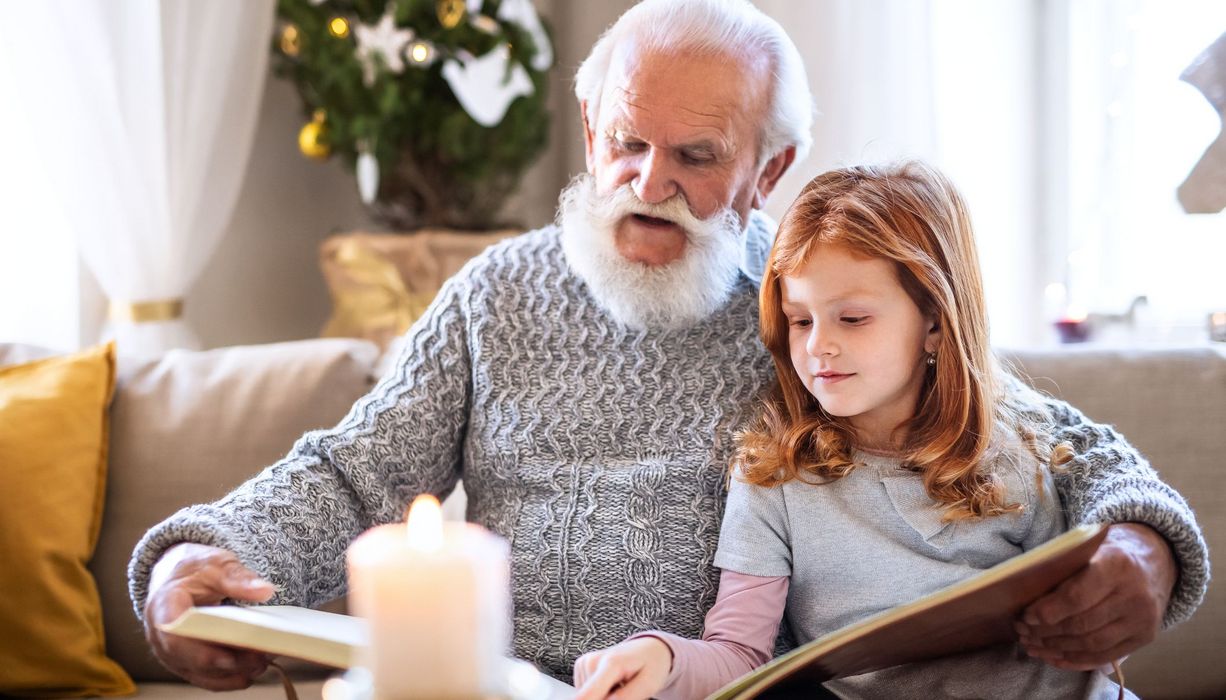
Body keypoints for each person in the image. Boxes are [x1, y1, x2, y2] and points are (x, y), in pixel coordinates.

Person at [130, 0, 1207, 691]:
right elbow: (348, 469)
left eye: (694, 155)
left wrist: (1145, 546)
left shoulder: (806, 315)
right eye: (626, 141)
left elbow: (1047, 433)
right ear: (591, 128)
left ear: (766, 171)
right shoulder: (491, 297)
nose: (649, 184)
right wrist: (200, 552)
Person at [572, 162, 1135, 700]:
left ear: (935, 324)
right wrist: (661, 659)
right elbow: (739, 655)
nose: (818, 345)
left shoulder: (1014, 453)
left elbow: (1087, 633)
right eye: (801, 320)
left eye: (853, 318)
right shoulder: (774, 474)